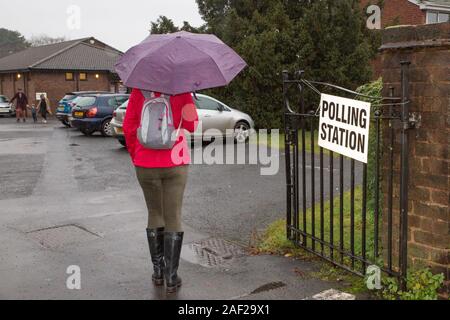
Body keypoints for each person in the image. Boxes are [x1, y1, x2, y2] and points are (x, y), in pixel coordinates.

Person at [123, 89, 198, 294]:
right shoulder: (181, 90)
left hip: (144, 163)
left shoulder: (138, 92)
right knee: (173, 216)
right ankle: (171, 278)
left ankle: (158, 273)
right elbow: (192, 125)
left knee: (155, 213)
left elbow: (128, 127)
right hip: (175, 160)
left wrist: (136, 154)